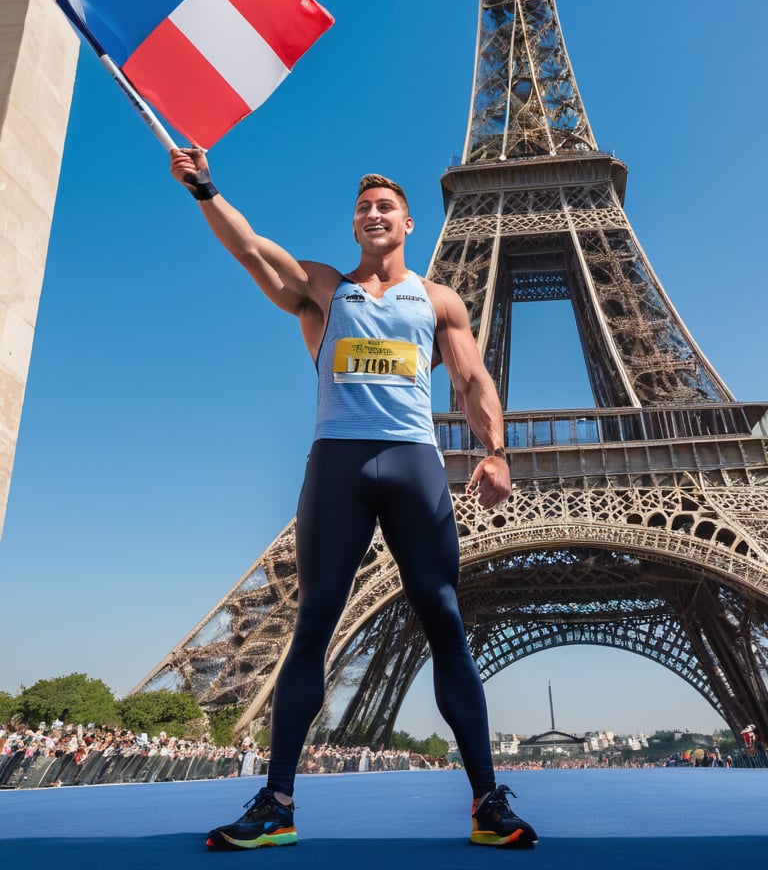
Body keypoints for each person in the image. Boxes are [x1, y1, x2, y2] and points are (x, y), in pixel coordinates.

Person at [169, 148, 538, 851]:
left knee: (446, 622)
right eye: (364, 207)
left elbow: (471, 380)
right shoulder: (323, 288)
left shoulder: (438, 300)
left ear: (408, 224)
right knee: (312, 623)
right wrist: (207, 190)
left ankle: (486, 802)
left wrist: (494, 452)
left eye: (385, 208)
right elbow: (250, 250)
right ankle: (278, 802)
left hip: (412, 460)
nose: (374, 214)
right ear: (355, 224)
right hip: (337, 459)